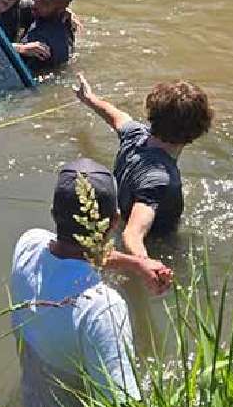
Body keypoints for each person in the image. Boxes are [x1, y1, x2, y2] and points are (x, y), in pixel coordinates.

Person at [10, 159, 166, 407]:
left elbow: (73, 252)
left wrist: (136, 263)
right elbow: (120, 402)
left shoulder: (28, 245)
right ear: (114, 221)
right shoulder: (102, 309)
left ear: (53, 214)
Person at [73, 74, 213, 259]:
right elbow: (132, 235)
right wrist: (148, 268)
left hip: (119, 215)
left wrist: (88, 98)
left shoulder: (135, 135)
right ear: (197, 131)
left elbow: (114, 115)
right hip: (157, 247)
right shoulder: (159, 181)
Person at [16, 0, 77, 72]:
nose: (35, 3)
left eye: (44, 2)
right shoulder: (43, 13)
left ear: (60, 9)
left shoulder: (48, 44)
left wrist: (17, 49)